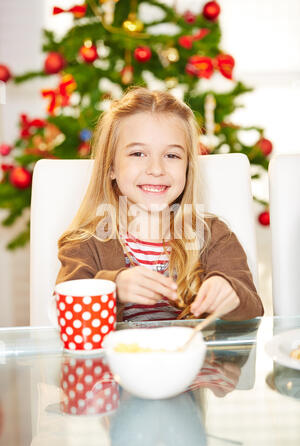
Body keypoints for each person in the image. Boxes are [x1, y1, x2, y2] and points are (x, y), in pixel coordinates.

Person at [56, 87, 264, 322]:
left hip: (194, 358)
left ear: (187, 167)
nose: (156, 169)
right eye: (138, 154)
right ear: (111, 166)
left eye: (172, 156)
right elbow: (68, 312)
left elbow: (253, 306)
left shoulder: (214, 235)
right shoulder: (84, 243)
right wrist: (112, 288)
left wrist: (229, 292)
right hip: (116, 359)